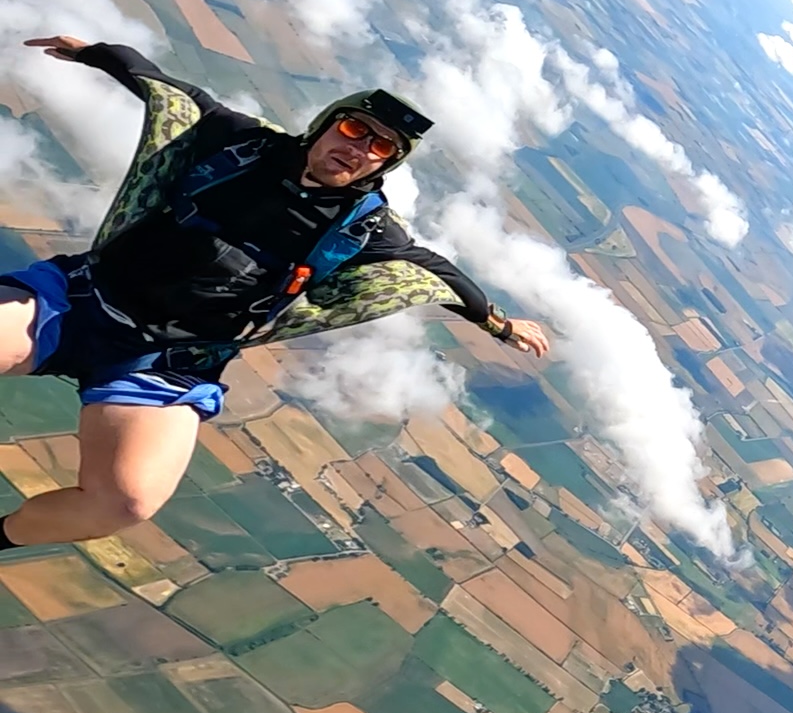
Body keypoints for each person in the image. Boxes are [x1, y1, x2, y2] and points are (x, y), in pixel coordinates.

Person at [0, 36, 550, 549]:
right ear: (326, 125)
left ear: (386, 165)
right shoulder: (244, 143)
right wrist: (97, 52)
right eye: (354, 129)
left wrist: (499, 323)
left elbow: (437, 273)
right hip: (83, 301)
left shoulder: (366, 228)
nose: (359, 148)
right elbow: (172, 93)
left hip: (169, 362)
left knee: (125, 503)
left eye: (381, 147)